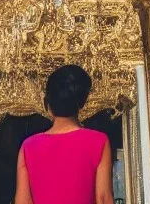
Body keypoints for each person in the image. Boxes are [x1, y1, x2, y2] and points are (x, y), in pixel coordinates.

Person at [14, 64, 114, 204]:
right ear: (82, 102)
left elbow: (23, 201)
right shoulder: (99, 141)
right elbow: (103, 199)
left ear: (48, 104)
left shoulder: (28, 146)